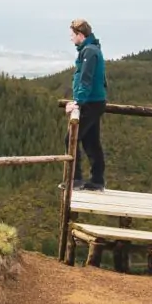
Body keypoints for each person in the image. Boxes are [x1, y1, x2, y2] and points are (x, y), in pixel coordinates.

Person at [67, 18, 107, 191]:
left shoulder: (89, 52)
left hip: (91, 103)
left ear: (80, 35)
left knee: (71, 138)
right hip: (95, 102)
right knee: (91, 142)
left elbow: (86, 80)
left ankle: (75, 180)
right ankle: (97, 181)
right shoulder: (91, 49)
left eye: (72, 35)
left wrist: (77, 102)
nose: (71, 38)